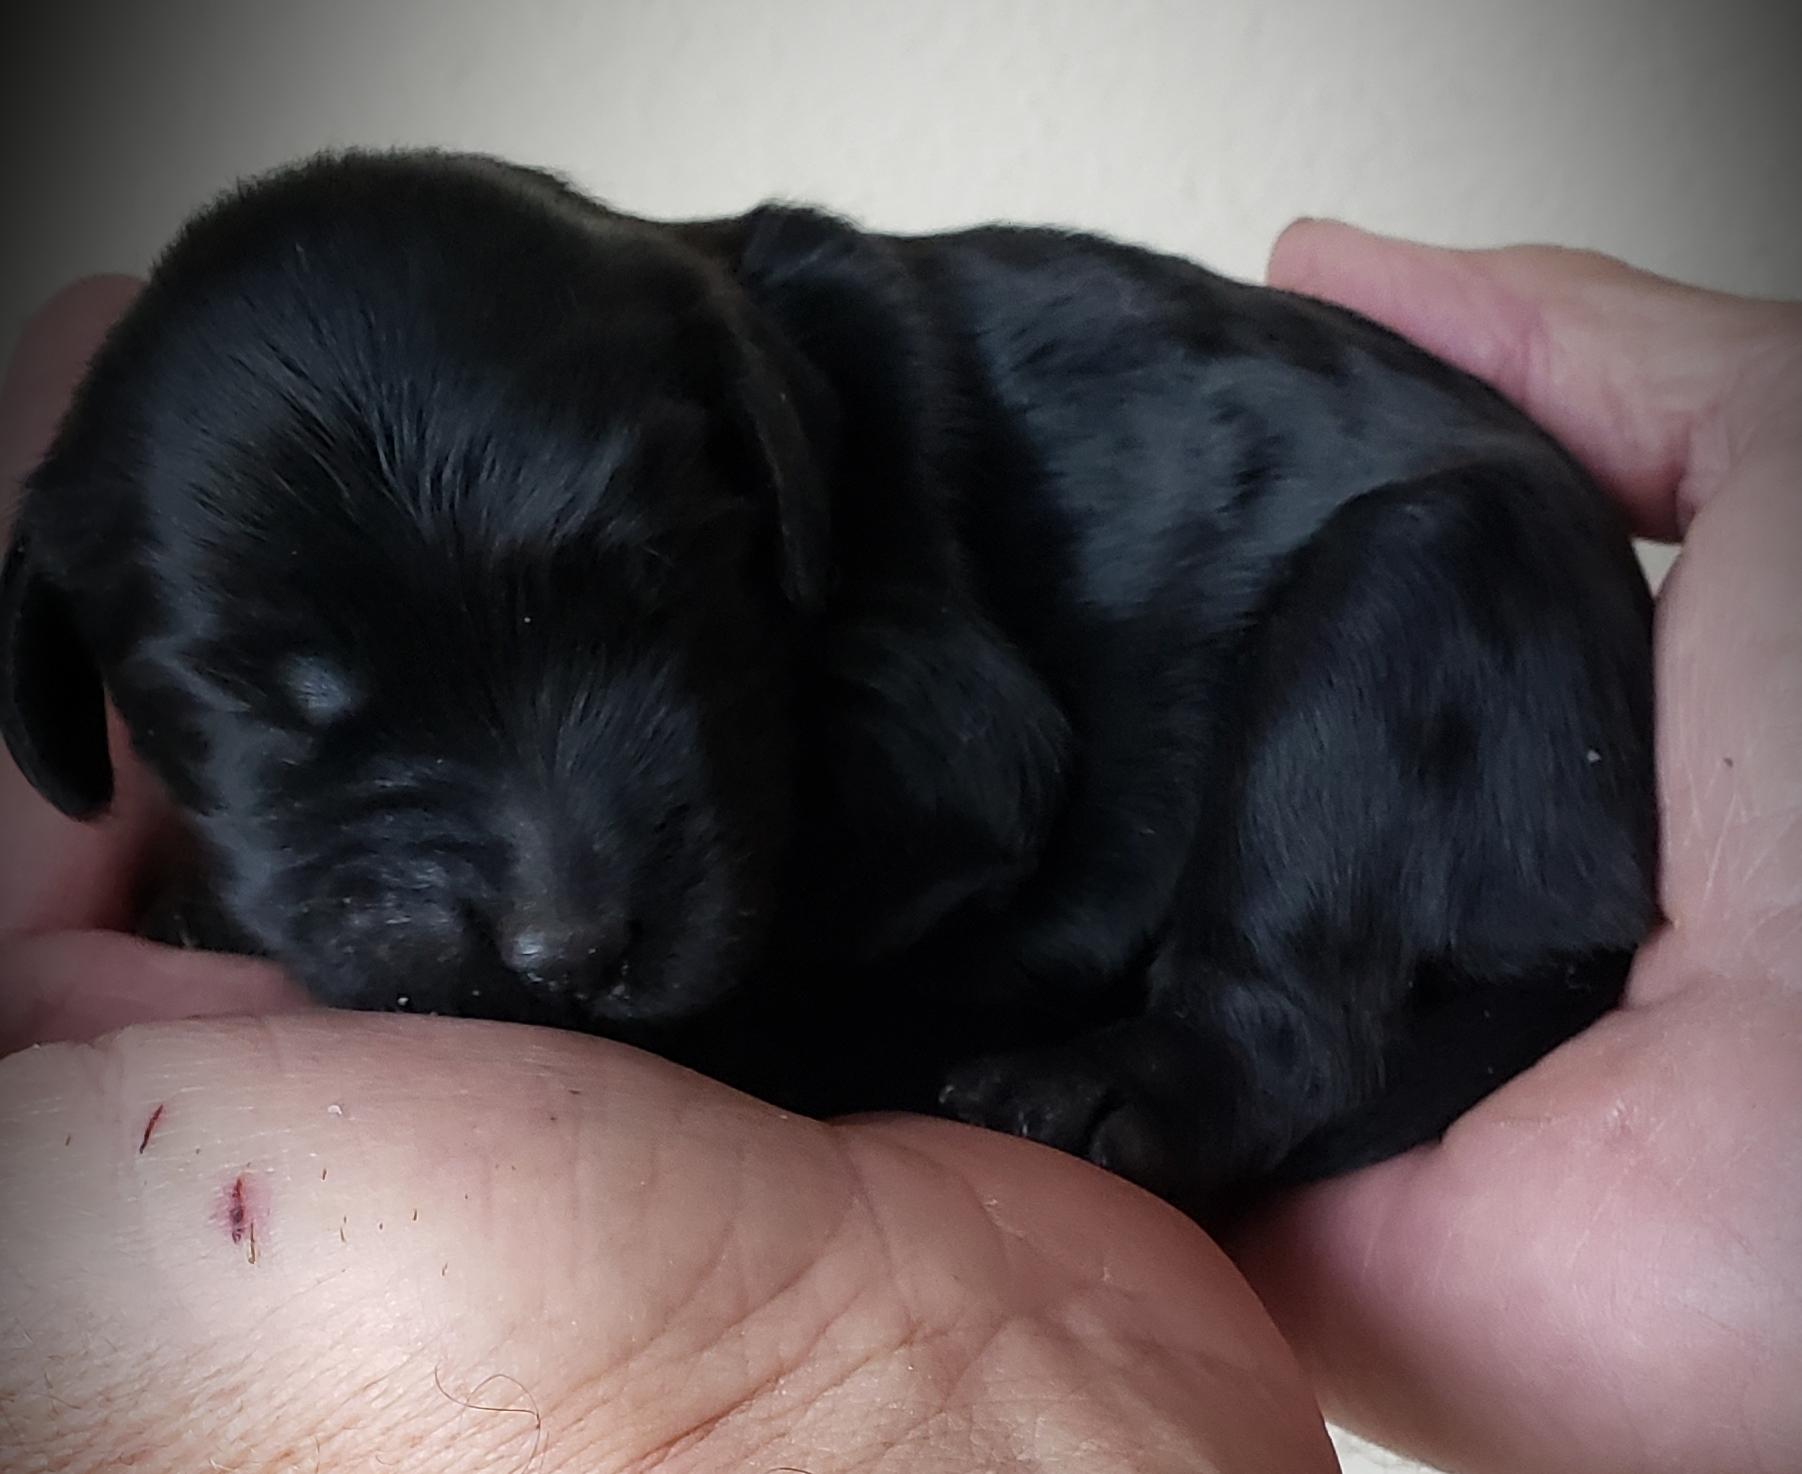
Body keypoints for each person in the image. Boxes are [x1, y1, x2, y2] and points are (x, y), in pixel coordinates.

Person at [1, 222, 1796, 1474]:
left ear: (745, 469)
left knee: (1432, 555)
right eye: (299, 722)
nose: (559, 903)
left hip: (1467, 726)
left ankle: (1247, 1040)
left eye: (641, 597)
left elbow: (983, 798)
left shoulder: (805, 417)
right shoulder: (658, 378)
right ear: (63, 685)